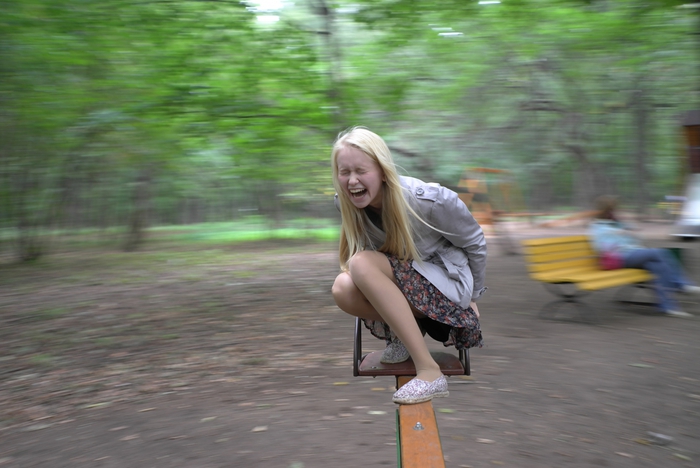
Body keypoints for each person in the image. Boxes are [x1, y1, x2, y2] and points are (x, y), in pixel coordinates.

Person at [330, 127, 487, 405]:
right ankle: (405, 332)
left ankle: (429, 371)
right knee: (343, 288)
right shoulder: (347, 204)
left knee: (361, 263)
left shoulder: (430, 201)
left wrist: (473, 297)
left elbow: (475, 242)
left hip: (447, 284)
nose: (352, 180)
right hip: (412, 286)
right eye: (345, 172)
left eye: (361, 171)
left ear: (382, 171)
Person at [588, 195, 700, 318]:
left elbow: (638, 238)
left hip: (634, 253)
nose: (614, 212)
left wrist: (629, 232)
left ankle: (669, 307)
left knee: (657, 266)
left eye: (614, 209)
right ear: (605, 211)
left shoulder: (617, 223)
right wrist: (617, 236)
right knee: (659, 252)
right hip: (619, 258)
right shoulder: (598, 227)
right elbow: (601, 249)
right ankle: (681, 285)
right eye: (611, 209)